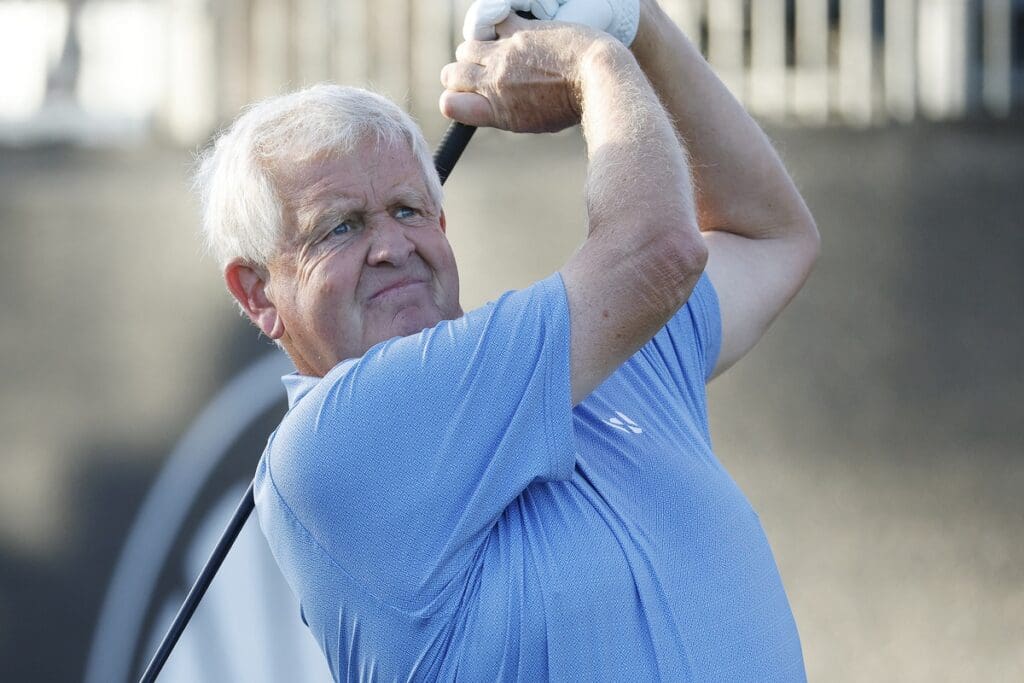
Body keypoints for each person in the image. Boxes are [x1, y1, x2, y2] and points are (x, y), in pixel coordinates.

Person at [194, 0, 819, 679]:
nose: (392, 246)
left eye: (408, 210)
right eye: (339, 228)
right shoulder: (331, 443)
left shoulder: (600, 355)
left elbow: (770, 238)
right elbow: (660, 252)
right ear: (257, 293)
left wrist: (643, 23)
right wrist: (595, 58)